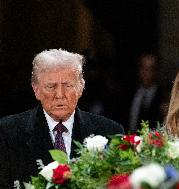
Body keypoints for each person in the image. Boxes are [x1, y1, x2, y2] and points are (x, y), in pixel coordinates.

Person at [0, 49, 124, 188]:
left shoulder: (110, 132)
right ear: (36, 90)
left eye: (68, 85)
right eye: (51, 86)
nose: (59, 94)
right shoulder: (7, 133)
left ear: (80, 88)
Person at [128, 53, 164, 133]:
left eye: (151, 68)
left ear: (157, 71)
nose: (146, 73)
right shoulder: (128, 93)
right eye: (143, 68)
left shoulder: (163, 97)